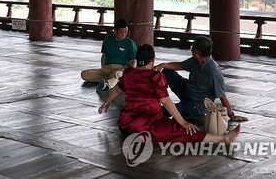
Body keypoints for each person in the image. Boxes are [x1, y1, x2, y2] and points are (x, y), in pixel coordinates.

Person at [98, 44, 241, 144]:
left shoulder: (129, 74)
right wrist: (184, 123)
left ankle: (139, 135)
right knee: (183, 131)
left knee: (168, 120)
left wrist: (107, 102)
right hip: (149, 123)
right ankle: (224, 138)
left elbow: (117, 90)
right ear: (153, 60)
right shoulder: (155, 77)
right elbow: (166, 101)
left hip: (125, 124)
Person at [154, 36, 248, 122]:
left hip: (196, 106)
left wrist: (231, 115)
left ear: (196, 52)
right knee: (167, 71)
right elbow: (179, 65)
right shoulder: (195, 60)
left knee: (168, 110)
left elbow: (222, 96)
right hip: (187, 91)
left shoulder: (213, 71)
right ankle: (156, 97)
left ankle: (152, 111)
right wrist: (162, 65)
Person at [81, 19, 137, 91]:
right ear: (115, 31)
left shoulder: (130, 43)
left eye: (126, 32)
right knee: (84, 74)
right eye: (121, 32)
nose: (124, 34)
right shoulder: (107, 40)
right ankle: (112, 79)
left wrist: (131, 70)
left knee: (117, 74)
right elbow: (104, 56)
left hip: (121, 68)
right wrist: (103, 68)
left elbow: (134, 60)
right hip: (107, 68)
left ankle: (106, 85)